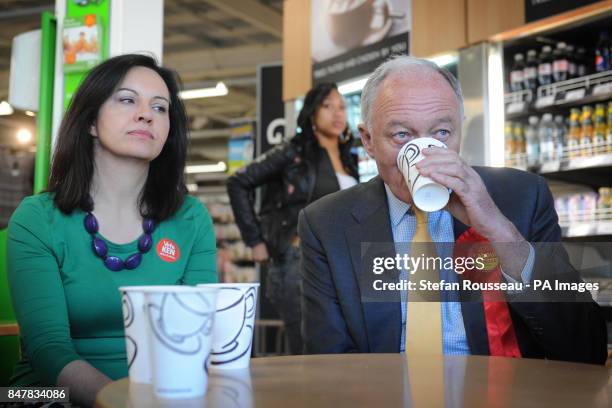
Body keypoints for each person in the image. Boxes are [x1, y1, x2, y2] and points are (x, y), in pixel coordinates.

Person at [299, 56, 608, 364]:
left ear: (460, 131)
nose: (423, 157)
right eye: (402, 135)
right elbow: (329, 361)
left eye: (442, 134)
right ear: (368, 140)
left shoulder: (521, 198)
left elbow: (586, 346)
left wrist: (498, 230)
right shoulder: (326, 223)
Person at [7, 54, 217, 405]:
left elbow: (195, 338)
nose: (146, 114)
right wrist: (122, 402)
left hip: (161, 397)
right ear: (91, 121)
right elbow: (48, 350)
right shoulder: (37, 218)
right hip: (45, 393)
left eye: (160, 108)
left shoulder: (191, 219)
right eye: (127, 99)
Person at [227, 83, 358, 354]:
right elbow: (238, 182)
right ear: (311, 113)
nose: (337, 113)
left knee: (343, 350)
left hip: (343, 263)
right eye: (327, 106)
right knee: (310, 351)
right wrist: (255, 240)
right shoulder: (294, 152)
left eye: (342, 107)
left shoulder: (348, 157)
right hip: (298, 261)